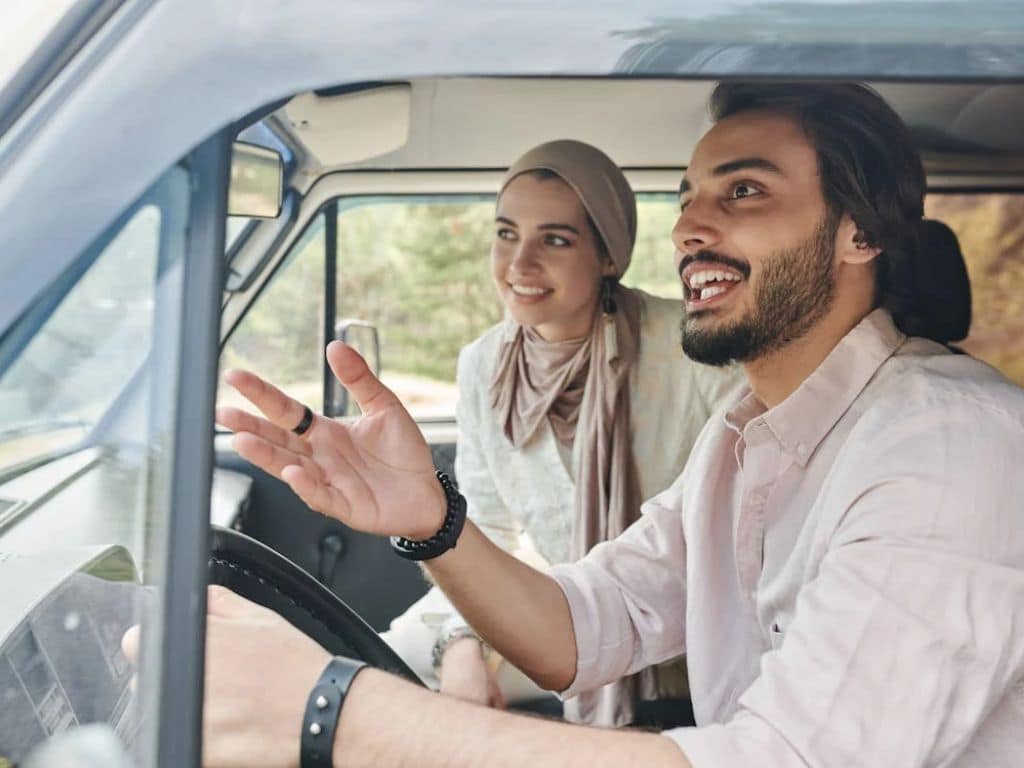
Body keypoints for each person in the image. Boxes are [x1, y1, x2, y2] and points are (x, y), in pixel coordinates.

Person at [195, 82, 1024, 767]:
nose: (691, 229)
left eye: (743, 191)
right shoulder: (743, 436)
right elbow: (586, 626)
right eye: (689, 199)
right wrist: (434, 523)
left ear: (862, 232)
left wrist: (335, 715)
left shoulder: (951, 449)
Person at [381, 139, 740, 727]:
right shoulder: (484, 366)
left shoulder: (690, 345)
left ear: (608, 255)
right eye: (505, 234)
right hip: (559, 616)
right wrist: (463, 646)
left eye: (555, 239)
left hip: (692, 634)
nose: (519, 265)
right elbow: (484, 530)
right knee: (376, 679)